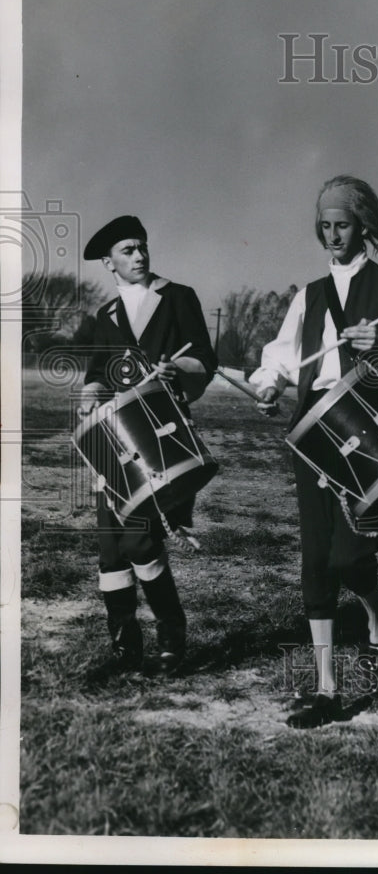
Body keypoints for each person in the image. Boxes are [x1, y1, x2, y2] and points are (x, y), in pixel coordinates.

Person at [249, 175, 378, 728]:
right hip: (313, 432)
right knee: (316, 560)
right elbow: (280, 357)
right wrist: (270, 385)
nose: (332, 235)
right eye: (324, 226)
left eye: (342, 225)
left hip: (370, 432)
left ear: (365, 226)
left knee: (351, 556)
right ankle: (326, 688)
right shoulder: (308, 295)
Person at [80, 215, 217, 675]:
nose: (139, 256)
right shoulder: (106, 315)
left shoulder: (178, 297)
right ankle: (124, 647)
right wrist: (89, 395)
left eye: (141, 247)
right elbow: (97, 376)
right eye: (127, 251)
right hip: (113, 439)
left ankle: (170, 641)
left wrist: (180, 372)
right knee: (111, 548)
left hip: (161, 432)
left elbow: (205, 359)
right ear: (108, 262)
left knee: (139, 538)